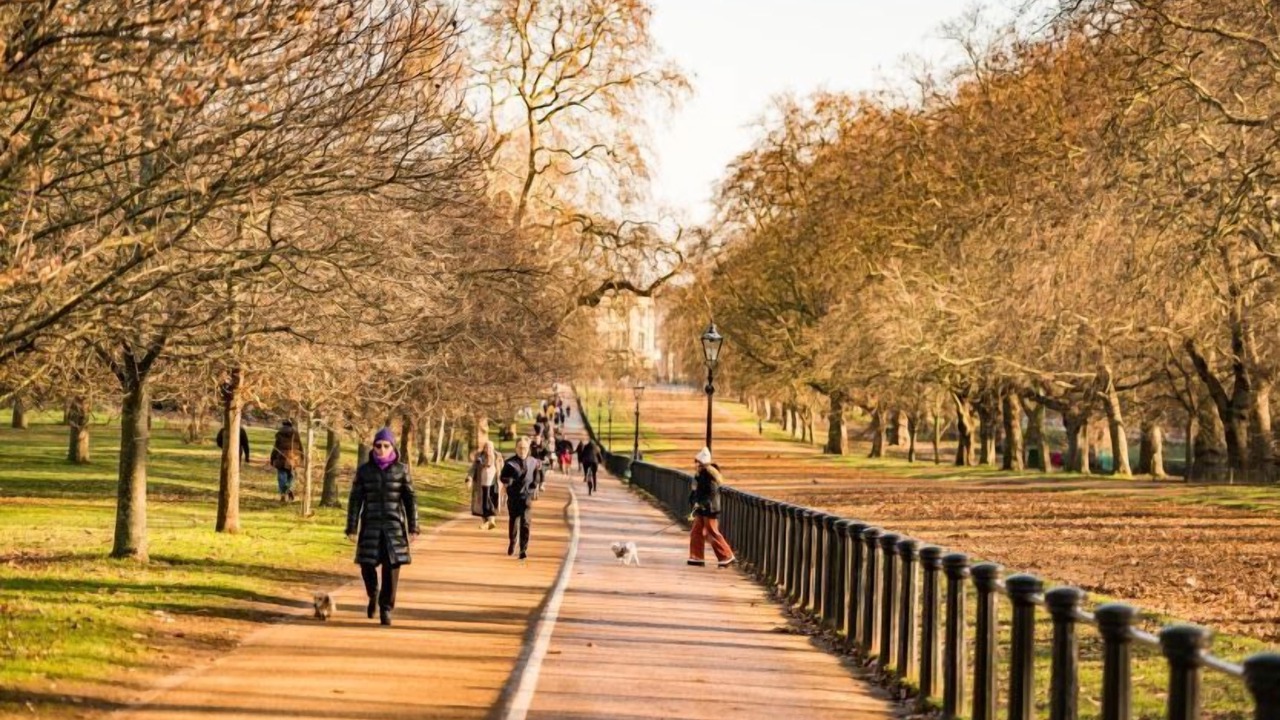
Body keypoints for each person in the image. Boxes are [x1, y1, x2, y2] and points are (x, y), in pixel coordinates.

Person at [345, 427, 418, 626]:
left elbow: (410, 500)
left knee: (391, 569)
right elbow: (355, 500)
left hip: (394, 528)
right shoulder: (364, 471)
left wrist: (413, 526)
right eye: (378, 446)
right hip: (370, 525)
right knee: (367, 565)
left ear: (392, 447)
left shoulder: (401, 470)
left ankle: (386, 608)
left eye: (386, 446)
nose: (382, 449)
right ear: (373, 447)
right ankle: (373, 593)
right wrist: (351, 528)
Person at [688, 447, 735, 568]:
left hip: (710, 509)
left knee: (712, 532)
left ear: (702, 463)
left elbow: (711, 494)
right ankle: (696, 556)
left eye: (697, 462)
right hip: (702, 509)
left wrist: (701, 503)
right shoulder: (699, 476)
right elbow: (696, 492)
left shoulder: (709, 475)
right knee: (696, 531)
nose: (696, 465)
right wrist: (694, 501)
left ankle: (726, 555)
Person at [500, 436, 542, 560]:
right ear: (516, 448)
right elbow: (503, 477)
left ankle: (523, 549)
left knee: (526, 523)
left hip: (526, 497)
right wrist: (510, 481)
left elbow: (537, 476)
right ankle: (513, 541)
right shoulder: (510, 463)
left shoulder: (534, 462)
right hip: (513, 496)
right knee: (514, 521)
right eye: (520, 448)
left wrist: (534, 485)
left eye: (525, 448)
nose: (522, 450)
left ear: (528, 448)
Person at [468, 440, 501, 530]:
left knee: (492, 503)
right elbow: (473, 468)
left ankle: (491, 521)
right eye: (486, 447)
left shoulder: (497, 457)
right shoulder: (479, 457)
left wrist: (504, 480)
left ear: (493, 448)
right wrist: (469, 478)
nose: (488, 449)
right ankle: (486, 522)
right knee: (483, 504)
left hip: (493, 484)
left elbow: (502, 469)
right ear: (484, 448)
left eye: (490, 447)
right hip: (481, 484)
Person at [270, 420, 304, 503]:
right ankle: (289, 488)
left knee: (281, 476)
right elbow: (300, 447)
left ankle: (283, 494)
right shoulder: (296, 434)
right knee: (291, 475)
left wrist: (272, 458)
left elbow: (275, 448)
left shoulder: (279, 434)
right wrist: (302, 458)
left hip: (281, 458)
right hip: (294, 458)